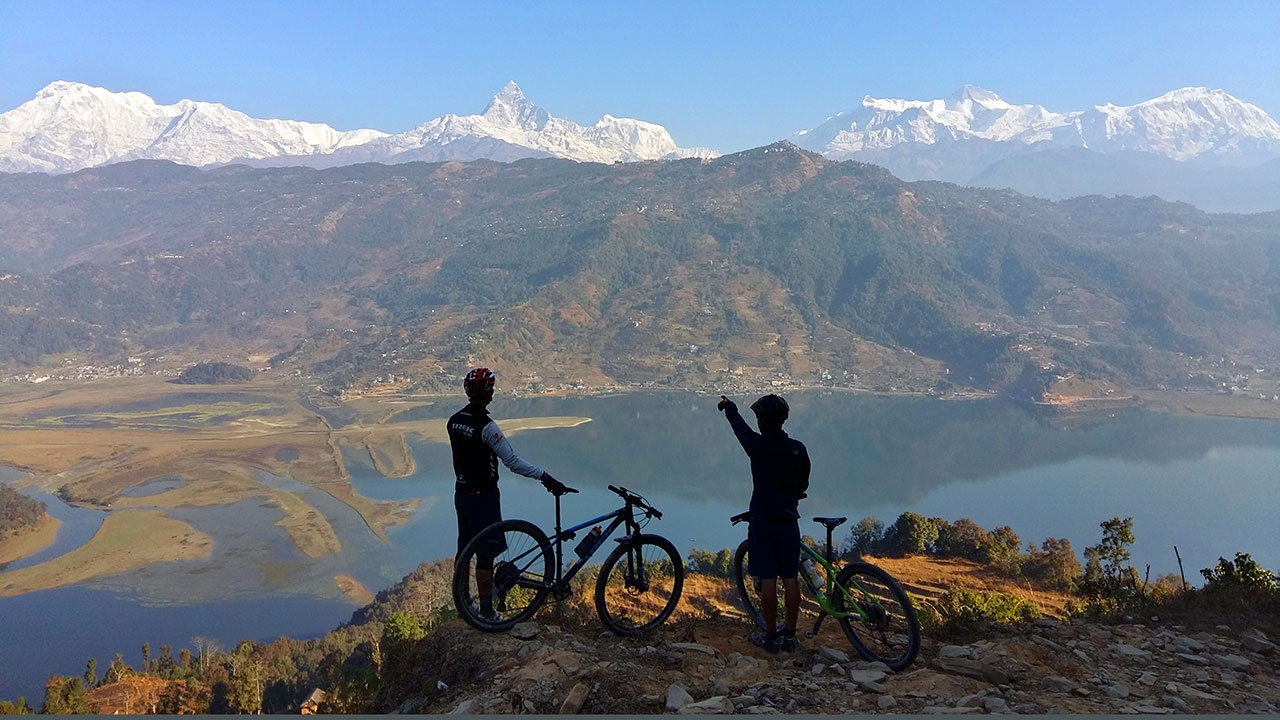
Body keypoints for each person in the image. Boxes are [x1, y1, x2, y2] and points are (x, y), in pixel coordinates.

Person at [449, 367, 568, 620]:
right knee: (486, 554)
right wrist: (545, 477)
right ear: (489, 392)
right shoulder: (487, 427)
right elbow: (512, 461)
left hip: (461, 493)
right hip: (484, 496)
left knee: (464, 548)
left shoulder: (454, 421)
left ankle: (464, 604)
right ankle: (487, 612)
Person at [718, 393, 810, 653]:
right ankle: (790, 636)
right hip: (788, 520)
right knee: (791, 578)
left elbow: (740, 430)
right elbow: (803, 484)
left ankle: (771, 637)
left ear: (760, 421)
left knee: (768, 580)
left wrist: (730, 408)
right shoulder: (798, 449)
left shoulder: (757, 447)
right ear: (783, 420)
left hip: (762, 521)